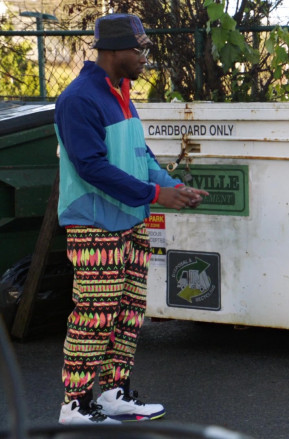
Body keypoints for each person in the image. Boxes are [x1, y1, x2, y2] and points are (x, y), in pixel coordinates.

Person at [55, 13, 209, 424]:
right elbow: (91, 167)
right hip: (94, 226)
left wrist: (171, 184)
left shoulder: (121, 91)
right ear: (113, 51)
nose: (145, 57)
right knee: (95, 314)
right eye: (139, 49)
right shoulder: (78, 99)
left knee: (127, 311)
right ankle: (76, 403)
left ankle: (113, 393)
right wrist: (158, 194)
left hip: (131, 222)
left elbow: (140, 158)